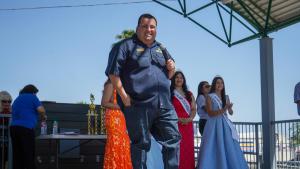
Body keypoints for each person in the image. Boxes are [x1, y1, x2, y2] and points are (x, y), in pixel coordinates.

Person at [105, 13, 181, 169]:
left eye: (152, 27)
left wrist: (172, 69)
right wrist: (125, 98)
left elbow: (169, 75)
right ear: (137, 28)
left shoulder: (161, 48)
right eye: (145, 26)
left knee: (173, 140)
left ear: (156, 29)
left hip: (164, 105)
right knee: (141, 145)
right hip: (138, 105)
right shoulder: (125, 46)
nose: (149, 29)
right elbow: (113, 73)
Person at [197, 76, 248, 169]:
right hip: (213, 124)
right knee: (212, 146)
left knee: (228, 146)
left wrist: (229, 108)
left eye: (221, 83)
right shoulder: (209, 97)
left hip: (225, 124)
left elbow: (230, 113)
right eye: (217, 83)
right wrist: (223, 109)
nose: (220, 84)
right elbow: (210, 113)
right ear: (214, 85)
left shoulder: (226, 97)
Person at [10, 84, 47, 169]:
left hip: (14, 129)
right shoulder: (32, 97)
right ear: (33, 91)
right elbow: (41, 110)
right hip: (26, 129)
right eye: (35, 93)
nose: (36, 95)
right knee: (28, 155)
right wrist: (43, 116)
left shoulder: (17, 99)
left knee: (17, 156)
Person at [101, 79, 132, 169]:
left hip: (123, 118)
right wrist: (121, 106)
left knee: (123, 145)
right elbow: (104, 102)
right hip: (114, 119)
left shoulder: (124, 84)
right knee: (116, 144)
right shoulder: (111, 83)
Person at [170, 71, 196, 169]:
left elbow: (193, 109)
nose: (179, 79)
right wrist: (177, 119)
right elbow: (168, 108)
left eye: (181, 77)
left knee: (188, 150)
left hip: (188, 125)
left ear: (184, 80)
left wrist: (189, 119)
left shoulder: (189, 94)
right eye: (177, 77)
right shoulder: (170, 93)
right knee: (177, 150)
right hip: (175, 124)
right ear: (173, 79)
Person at [0, 91, 12, 169]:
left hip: (8, 146)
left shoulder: (12, 114)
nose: (7, 103)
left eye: (9, 101)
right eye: (4, 101)